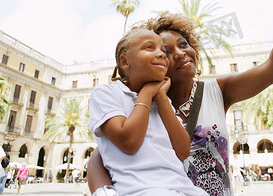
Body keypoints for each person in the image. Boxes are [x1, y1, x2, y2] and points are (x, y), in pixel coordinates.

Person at [87, 0, 273, 196]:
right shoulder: (137, 103)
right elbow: (102, 155)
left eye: (184, 44)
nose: (179, 53)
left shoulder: (217, 91)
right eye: (165, 51)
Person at [88, 27, 209, 196]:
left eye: (163, 50)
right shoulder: (106, 94)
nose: (161, 54)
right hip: (143, 190)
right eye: (149, 47)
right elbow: (129, 142)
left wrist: (160, 97)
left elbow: (183, 151)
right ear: (125, 62)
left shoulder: (162, 100)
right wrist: (147, 92)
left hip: (187, 190)